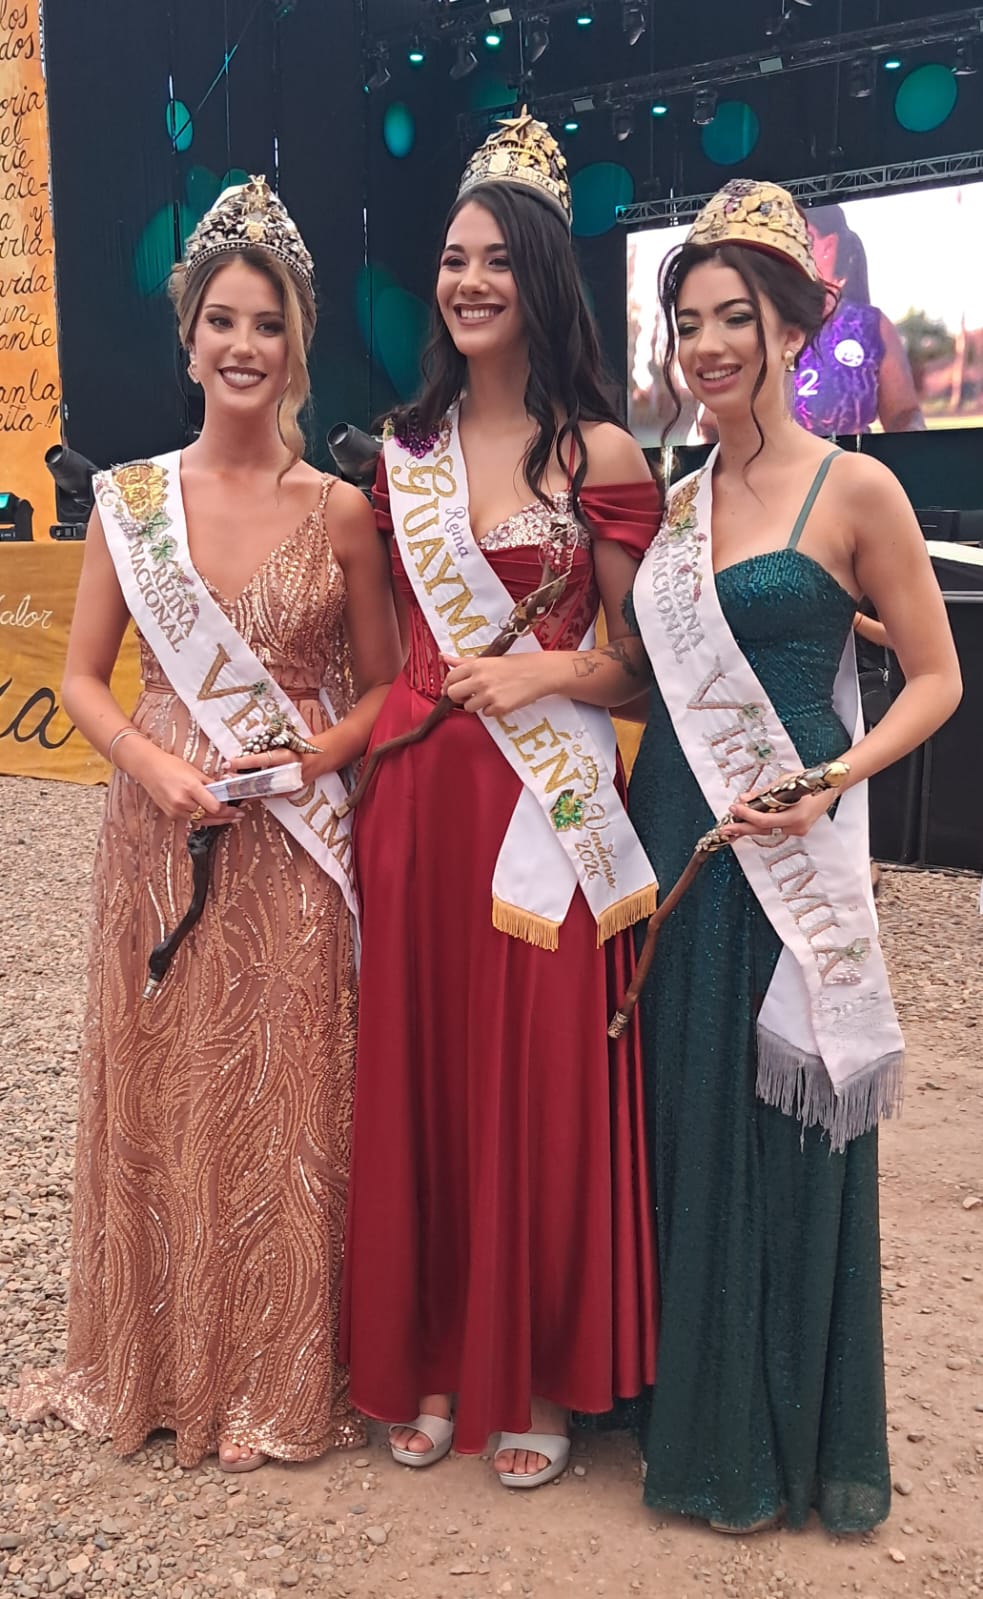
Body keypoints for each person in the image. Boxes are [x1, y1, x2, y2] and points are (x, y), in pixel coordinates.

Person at [4, 178, 401, 1470]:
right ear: (187, 342)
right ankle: (165, 1363)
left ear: (298, 344)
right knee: (168, 1077)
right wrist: (144, 762)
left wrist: (316, 754)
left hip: (292, 838)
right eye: (221, 321)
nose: (243, 344)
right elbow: (82, 677)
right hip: (155, 826)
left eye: (267, 323)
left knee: (284, 1093)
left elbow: (388, 684)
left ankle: (273, 1374)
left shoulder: (340, 511)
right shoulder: (130, 502)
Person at [626, 178, 961, 1532]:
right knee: (681, 1111)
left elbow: (934, 679)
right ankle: (686, 1411)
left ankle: (776, 1436)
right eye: (687, 322)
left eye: (732, 317)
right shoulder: (672, 503)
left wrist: (829, 780)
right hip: (678, 830)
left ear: (785, 328)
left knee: (782, 1120)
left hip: (788, 844)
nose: (706, 345)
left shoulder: (855, 484)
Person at [340, 111, 662, 1489]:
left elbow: (637, 663)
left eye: (495, 259)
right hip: (420, 805)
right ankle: (424, 1355)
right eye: (451, 258)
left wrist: (539, 675)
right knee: (422, 1080)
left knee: (531, 1080)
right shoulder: (398, 455)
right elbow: (375, 657)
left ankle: (529, 1369)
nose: (468, 281)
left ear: (540, 275)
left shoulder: (600, 455)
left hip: (545, 809)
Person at [798, 203, 925, 435]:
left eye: (802, 238)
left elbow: (903, 414)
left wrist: (914, 440)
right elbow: (722, 423)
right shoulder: (762, 323)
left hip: (850, 458)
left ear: (829, 246)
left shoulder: (869, 326)